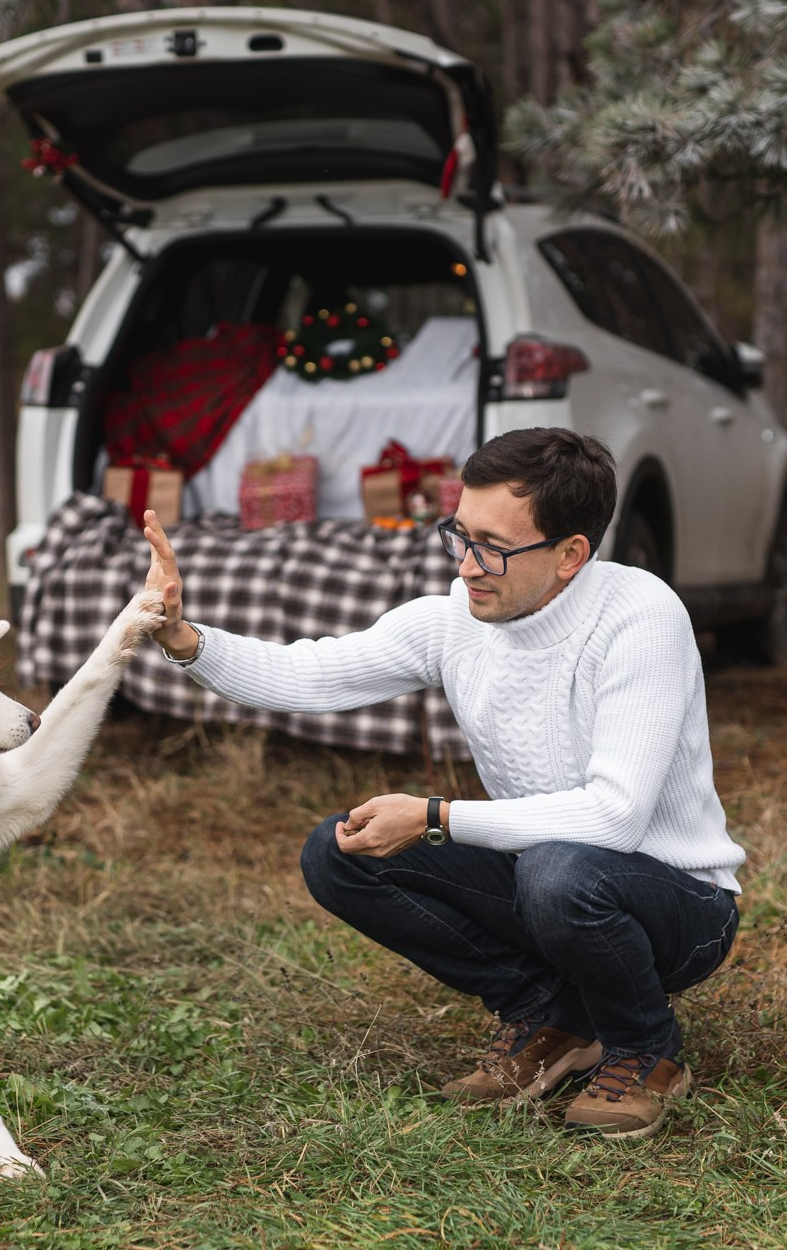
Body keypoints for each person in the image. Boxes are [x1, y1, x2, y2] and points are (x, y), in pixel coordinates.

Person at [140, 427, 745, 1140]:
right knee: (338, 852)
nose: (465, 566)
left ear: (570, 555)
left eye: (491, 545)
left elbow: (614, 818)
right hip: (550, 880)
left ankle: (645, 1049)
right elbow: (311, 671)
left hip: (681, 907)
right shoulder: (458, 620)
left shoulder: (640, 617)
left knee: (561, 870)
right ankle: (554, 1013)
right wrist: (187, 640)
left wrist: (436, 816)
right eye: (458, 535)